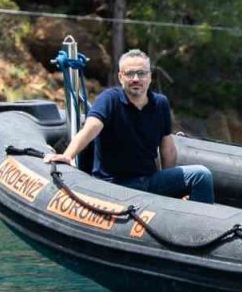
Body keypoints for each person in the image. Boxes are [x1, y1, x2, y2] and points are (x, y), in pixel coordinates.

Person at [44, 49, 214, 204]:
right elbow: (91, 128)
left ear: (149, 77)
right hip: (115, 187)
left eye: (141, 73)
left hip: (149, 180)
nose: (135, 79)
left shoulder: (160, 103)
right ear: (120, 77)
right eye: (130, 73)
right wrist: (68, 155)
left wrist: (173, 188)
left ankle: (203, 231)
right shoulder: (109, 99)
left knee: (201, 175)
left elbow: (167, 148)